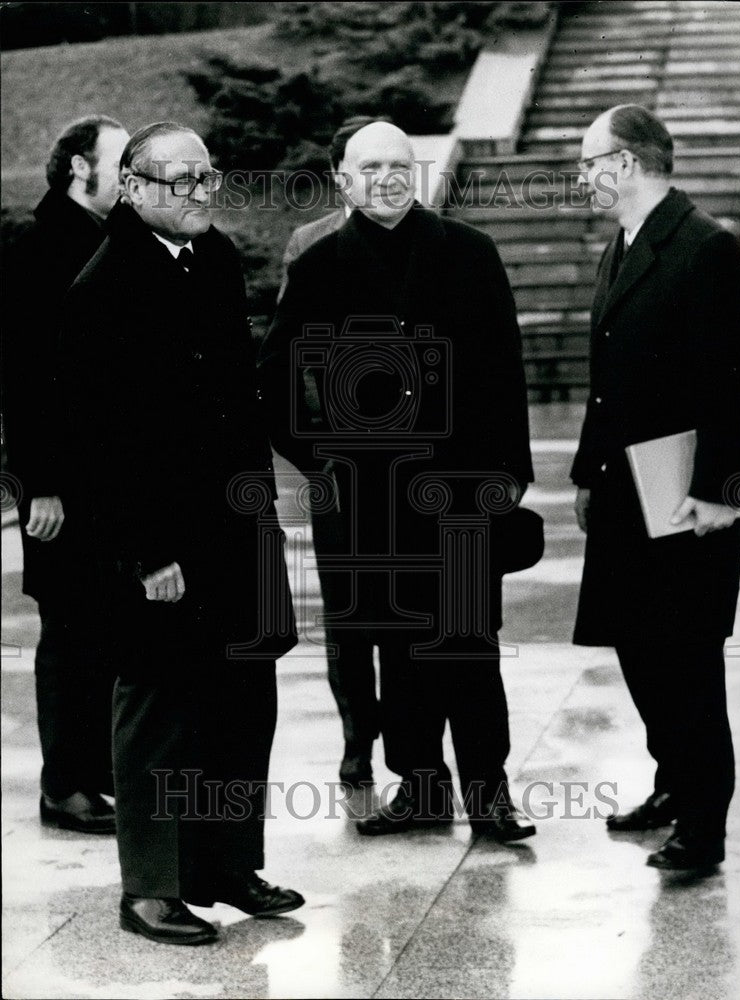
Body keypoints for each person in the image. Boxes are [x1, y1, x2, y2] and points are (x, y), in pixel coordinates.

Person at [58, 122, 302, 945]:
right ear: (132, 187)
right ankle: (152, 889)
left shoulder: (216, 257)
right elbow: (97, 442)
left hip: (236, 527)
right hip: (160, 545)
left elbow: (239, 399)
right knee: (158, 704)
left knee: (240, 699)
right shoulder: (104, 285)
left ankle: (225, 865)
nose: (202, 194)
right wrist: (144, 553)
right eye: (182, 181)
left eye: (208, 179)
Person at [260, 121, 537, 841]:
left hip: (464, 491)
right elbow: (276, 378)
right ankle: (418, 786)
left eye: (398, 164)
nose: (386, 177)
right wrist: (323, 460)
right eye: (370, 166)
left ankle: (490, 793)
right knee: (396, 648)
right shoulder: (321, 265)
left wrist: (508, 478)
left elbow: (506, 373)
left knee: (468, 646)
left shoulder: (470, 252)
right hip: (368, 502)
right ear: (343, 179)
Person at [572, 105, 740, 871]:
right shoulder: (626, 243)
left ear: (629, 161)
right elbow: (607, 377)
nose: (581, 177)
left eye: (589, 162)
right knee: (643, 651)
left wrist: (723, 491)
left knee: (686, 662)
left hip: (685, 496)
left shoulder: (707, 248)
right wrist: (584, 471)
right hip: (625, 490)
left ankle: (703, 824)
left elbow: (738, 385)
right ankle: (675, 783)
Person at [2, 115, 130, 834]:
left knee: (105, 626)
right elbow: (23, 375)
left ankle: (98, 772)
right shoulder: (40, 245)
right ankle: (64, 786)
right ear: (82, 168)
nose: (133, 175)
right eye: (121, 161)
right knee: (70, 631)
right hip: (61, 486)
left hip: (109, 480)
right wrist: (38, 483)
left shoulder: (109, 238)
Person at [279, 117, 386, 789]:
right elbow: (292, 355)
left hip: (408, 464)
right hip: (339, 464)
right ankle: (357, 738)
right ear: (341, 172)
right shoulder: (310, 243)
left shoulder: (420, 238)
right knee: (347, 617)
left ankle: (411, 744)